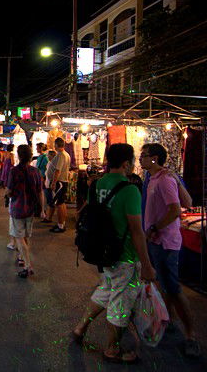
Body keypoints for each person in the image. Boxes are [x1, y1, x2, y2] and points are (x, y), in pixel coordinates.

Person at [72, 143, 156, 365]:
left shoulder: (97, 184)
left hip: (101, 252)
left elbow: (85, 212)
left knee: (106, 290)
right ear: (127, 163)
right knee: (120, 303)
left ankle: (81, 328)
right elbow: (137, 231)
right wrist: (146, 264)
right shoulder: (130, 190)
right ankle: (112, 349)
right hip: (124, 256)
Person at [140, 143, 201, 358]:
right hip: (157, 241)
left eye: (144, 155)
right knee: (165, 285)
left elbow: (177, 209)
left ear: (155, 158)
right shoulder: (154, 178)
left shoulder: (164, 179)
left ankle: (191, 336)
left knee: (173, 288)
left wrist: (155, 227)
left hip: (165, 242)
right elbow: (186, 201)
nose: (140, 158)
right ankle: (167, 321)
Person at [5, 144, 43, 278]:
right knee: (26, 236)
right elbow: (40, 192)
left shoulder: (14, 171)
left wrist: (9, 195)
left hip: (18, 208)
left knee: (19, 237)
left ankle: (28, 265)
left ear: (19, 156)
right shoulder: (36, 172)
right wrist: (42, 209)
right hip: (31, 209)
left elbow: (9, 191)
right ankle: (22, 258)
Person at [48, 137, 71, 233]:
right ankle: (61, 223)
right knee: (62, 203)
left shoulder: (61, 155)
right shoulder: (66, 154)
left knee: (59, 204)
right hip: (62, 181)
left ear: (56, 145)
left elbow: (58, 170)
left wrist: (53, 183)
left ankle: (60, 226)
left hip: (59, 182)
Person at [41, 149, 57, 223]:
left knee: (50, 201)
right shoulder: (50, 163)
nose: (47, 156)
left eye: (48, 155)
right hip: (47, 183)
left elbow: (51, 175)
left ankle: (49, 218)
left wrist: (51, 183)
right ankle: (48, 216)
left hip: (49, 185)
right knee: (49, 201)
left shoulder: (52, 164)